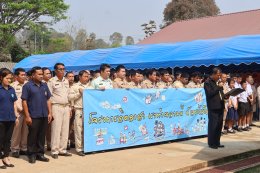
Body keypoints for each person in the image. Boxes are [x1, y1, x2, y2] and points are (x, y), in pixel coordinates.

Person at [22, 66, 52, 163]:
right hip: (33, 115)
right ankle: (31, 154)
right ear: (33, 75)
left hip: (44, 115)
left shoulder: (44, 85)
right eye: (39, 74)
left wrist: (50, 113)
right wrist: (27, 116)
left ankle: (40, 154)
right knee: (32, 135)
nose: (41, 76)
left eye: (42, 74)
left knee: (41, 135)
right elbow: (24, 101)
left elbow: (48, 99)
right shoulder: (27, 86)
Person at [48, 63, 72, 159]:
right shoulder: (51, 81)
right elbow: (48, 98)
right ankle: (54, 150)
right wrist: (50, 111)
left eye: (63, 69)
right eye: (60, 69)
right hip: (56, 106)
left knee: (65, 129)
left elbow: (68, 95)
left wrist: (70, 107)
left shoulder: (66, 80)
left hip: (66, 106)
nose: (62, 71)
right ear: (55, 70)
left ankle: (63, 149)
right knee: (56, 129)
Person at [68, 70, 91, 156]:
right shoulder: (75, 86)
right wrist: (79, 94)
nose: (87, 78)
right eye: (85, 76)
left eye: (88, 76)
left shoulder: (90, 86)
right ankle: (79, 148)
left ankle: (87, 147)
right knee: (78, 130)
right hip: (79, 109)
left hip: (89, 110)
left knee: (88, 129)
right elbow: (69, 97)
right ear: (80, 77)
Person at [0, 68, 19, 169]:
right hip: (1, 119)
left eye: (10, 79)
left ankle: (6, 157)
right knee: (0, 139)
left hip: (11, 118)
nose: (9, 80)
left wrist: (16, 116)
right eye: (7, 78)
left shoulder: (11, 89)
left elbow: (14, 103)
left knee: (8, 139)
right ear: (1, 77)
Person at [204, 67, 225, 149]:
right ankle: (211, 143)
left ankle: (217, 142)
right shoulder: (207, 82)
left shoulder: (218, 82)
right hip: (213, 107)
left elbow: (220, 93)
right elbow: (210, 94)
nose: (219, 76)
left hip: (220, 105)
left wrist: (225, 96)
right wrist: (218, 87)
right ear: (213, 74)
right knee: (213, 125)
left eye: (220, 75)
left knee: (219, 125)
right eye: (218, 75)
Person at [11, 68, 28, 158]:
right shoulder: (12, 86)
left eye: (24, 75)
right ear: (16, 76)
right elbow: (14, 100)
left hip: (27, 112)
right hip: (18, 112)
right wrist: (20, 109)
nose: (24, 76)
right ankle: (14, 149)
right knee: (16, 131)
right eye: (22, 75)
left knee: (26, 131)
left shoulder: (28, 85)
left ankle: (23, 148)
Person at [42, 67, 52, 151]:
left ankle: (49, 143)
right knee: (43, 128)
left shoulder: (52, 82)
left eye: (50, 73)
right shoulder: (41, 84)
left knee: (51, 128)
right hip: (43, 109)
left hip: (53, 107)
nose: (49, 75)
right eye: (47, 73)